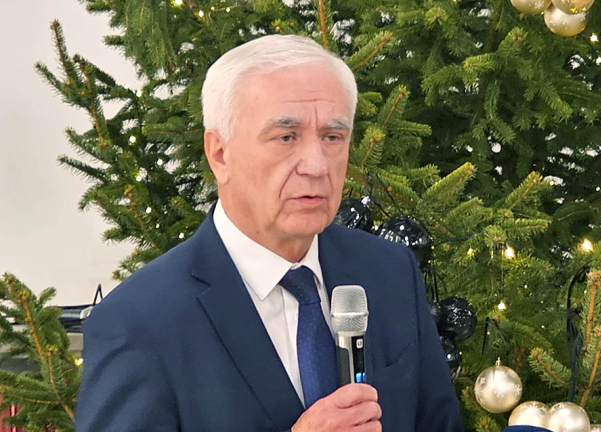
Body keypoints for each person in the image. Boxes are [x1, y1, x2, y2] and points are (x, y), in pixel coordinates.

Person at [74, 34, 464, 431]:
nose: (316, 165)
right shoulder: (139, 321)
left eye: (332, 137)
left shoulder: (389, 271)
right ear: (219, 154)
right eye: (286, 137)